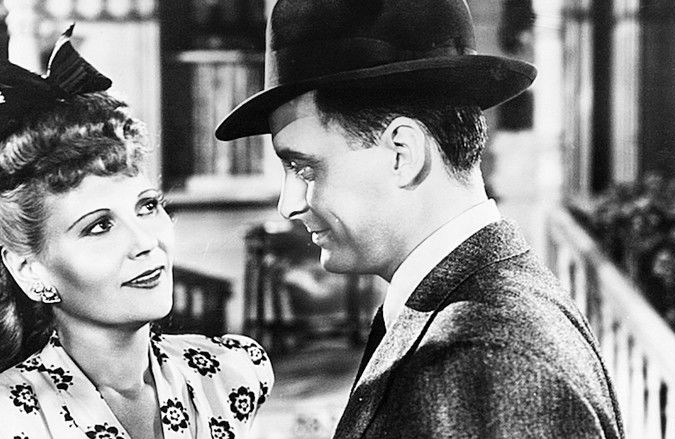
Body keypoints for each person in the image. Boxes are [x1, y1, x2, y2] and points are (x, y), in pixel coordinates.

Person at [215, 0, 623, 437]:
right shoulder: (465, 313)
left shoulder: (484, 358)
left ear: (402, 154)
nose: (288, 204)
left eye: (304, 168)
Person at [0, 25, 272, 439]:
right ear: (30, 270)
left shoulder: (229, 376)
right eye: (99, 226)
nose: (146, 242)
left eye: (147, 206)